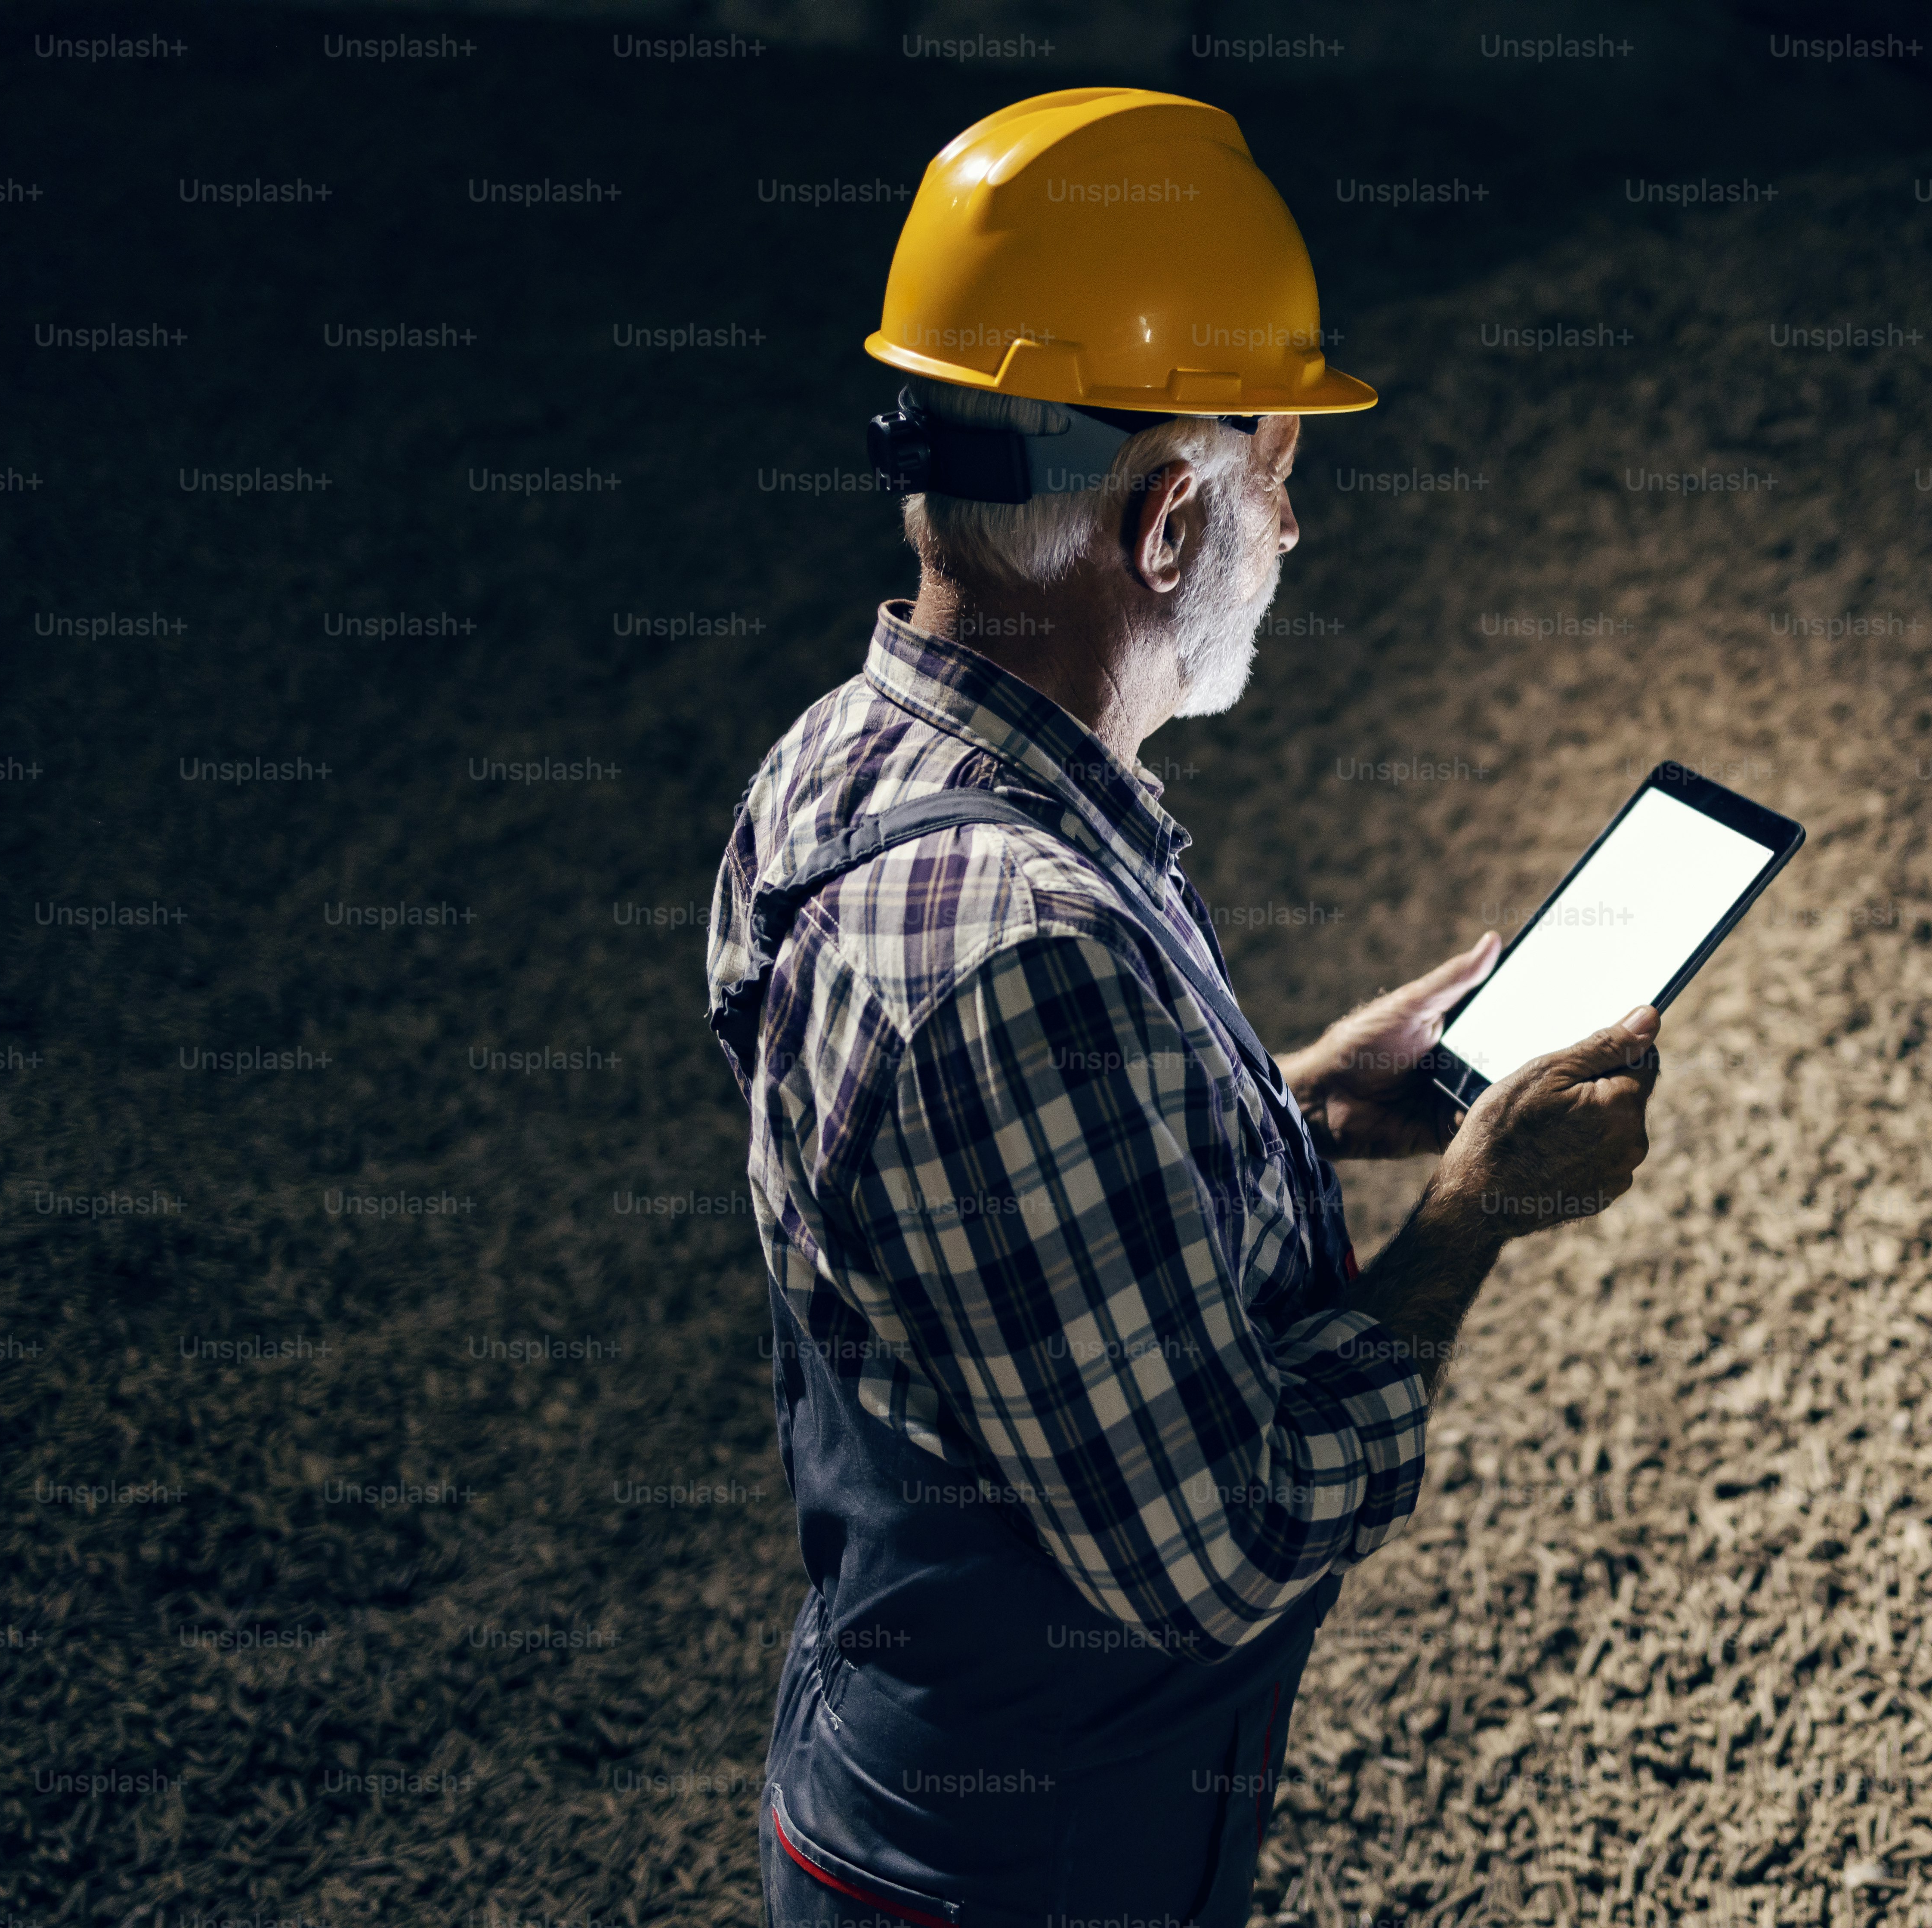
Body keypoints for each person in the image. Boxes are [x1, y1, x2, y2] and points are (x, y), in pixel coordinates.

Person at [703, 89, 1662, 1927]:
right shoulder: (1026, 953)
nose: (1291, 531)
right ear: (1163, 523)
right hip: (1023, 1869)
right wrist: (1474, 1211)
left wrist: (1290, 1100)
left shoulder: (837, 768)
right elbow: (1233, 1542)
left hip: (898, 1780)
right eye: (1277, 472)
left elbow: (956, 1226)